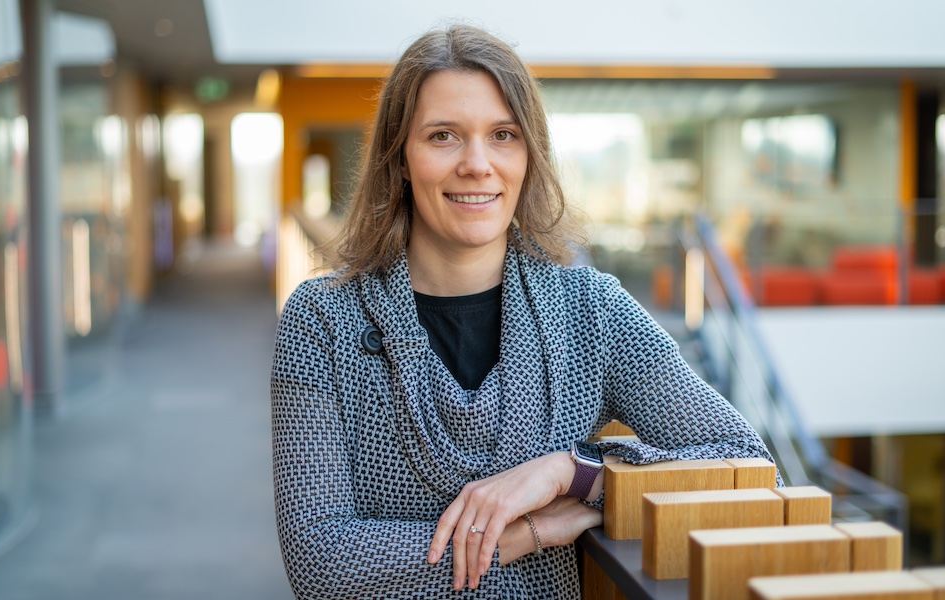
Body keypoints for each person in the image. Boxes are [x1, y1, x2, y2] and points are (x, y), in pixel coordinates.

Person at [270, 24, 779, 600]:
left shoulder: (592, 312)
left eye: (503, 135)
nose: (477, 164)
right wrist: (529, 532)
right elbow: (320, 563)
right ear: (401, 159)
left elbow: (748, 468)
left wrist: (574, 473)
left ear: (530, 156)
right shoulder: (320, 321)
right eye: (443, 136)